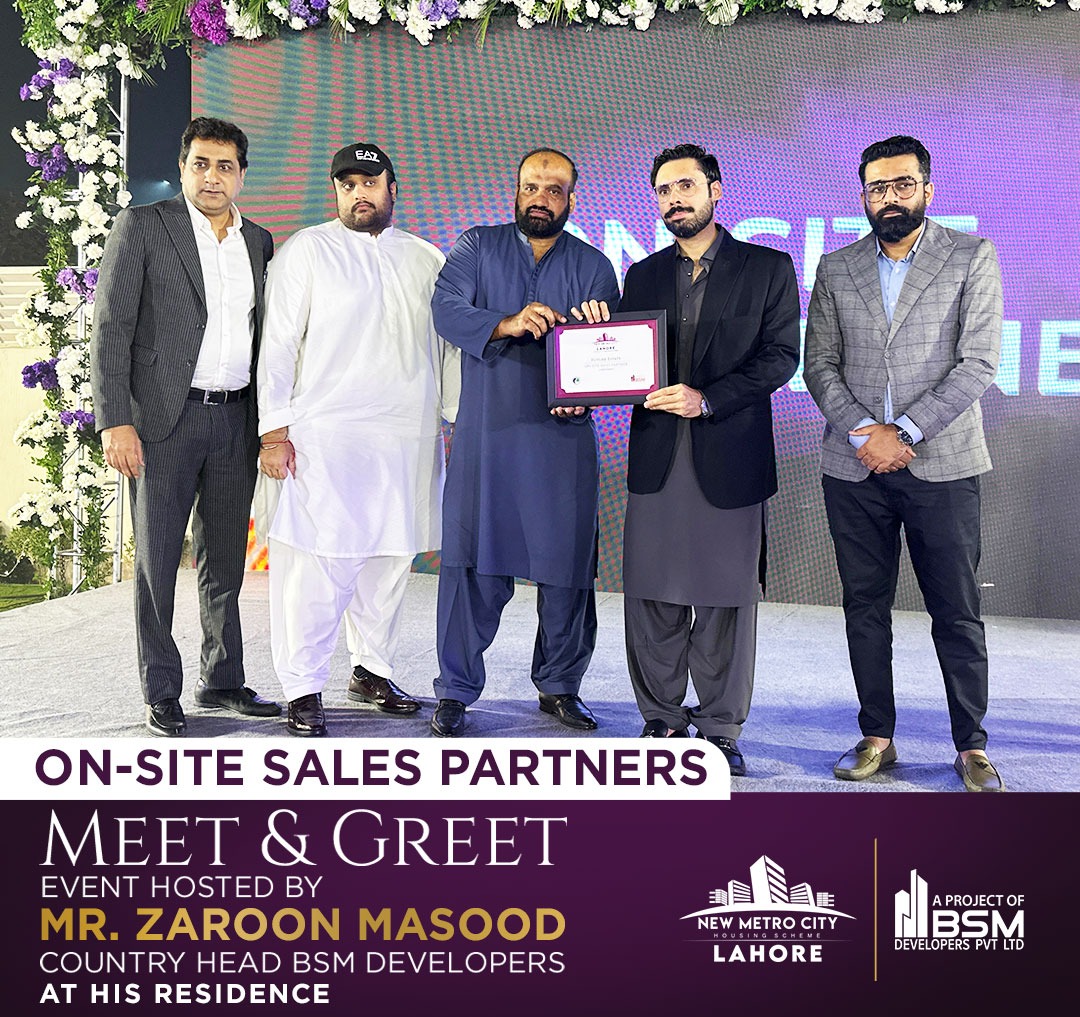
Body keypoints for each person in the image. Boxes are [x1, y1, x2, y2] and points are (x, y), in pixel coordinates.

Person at [804, 135, 1004, 792]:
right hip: (854, 465)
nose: (889, 197)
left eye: (902, 184)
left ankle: (971, 745)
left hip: (942, 463)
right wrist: (867, 433)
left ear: (927, 189)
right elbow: (820, 364)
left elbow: (978, 362)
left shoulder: (971, 255)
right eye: (877, 188)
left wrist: (905, 431)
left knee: (957, 610)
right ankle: (876, 736)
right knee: (865, 606)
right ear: (863, 195)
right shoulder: (837, 267)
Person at [257, 143, 459, 737]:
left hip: (407, 438)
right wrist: (274, 432)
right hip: (327, 438)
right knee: (318, 568)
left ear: (392, 189)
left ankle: (372, 670)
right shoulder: (307, 251)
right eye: (347, 185)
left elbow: (447, 349)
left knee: (390, 562)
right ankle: (302, 686)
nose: (358, 194)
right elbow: (277, 345)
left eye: (370, 183)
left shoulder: (425, 258)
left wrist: (458, 417)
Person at [90, 117, 281, 736]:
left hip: (235, 420)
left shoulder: (259, 242)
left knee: (225, 561)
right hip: (160, 424)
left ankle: (222, 680)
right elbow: (111, 328)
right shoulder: (144, 226)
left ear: (242, 175)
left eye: (225, 166)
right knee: (157, 564)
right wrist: (115, 421)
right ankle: (161, 690)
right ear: (183, 168)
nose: (212, 177)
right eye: (201, 164)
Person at [617, 143, 800, 776]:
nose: (675, 200)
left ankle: (720, 728)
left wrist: (709, 399)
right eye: (664, 191)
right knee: (652, 594)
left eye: (686, 186)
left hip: (729, 453)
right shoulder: (641, 275)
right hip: (657, 457)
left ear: (715, 190)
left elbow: (781, 357)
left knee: (726, 600)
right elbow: (623, 361)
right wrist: (581, 380)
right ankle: (661, 719)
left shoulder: (768, 267)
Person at [428, 148, 620, 737]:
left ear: (571, 198)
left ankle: (560, 686)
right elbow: (445, 308)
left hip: (562, 443)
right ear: (516, 191)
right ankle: (456, 689)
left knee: (566, 570)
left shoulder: (594, 267)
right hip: (487, 439)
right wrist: (506, 322)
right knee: (471, 566)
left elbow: (612, 357)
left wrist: (588, 382)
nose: (541, 197)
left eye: (554, 189)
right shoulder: (476, 247)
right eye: (532, 186)